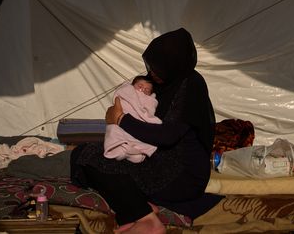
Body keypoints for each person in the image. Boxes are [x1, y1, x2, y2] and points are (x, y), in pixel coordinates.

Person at [71, 28, 217, 234]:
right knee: (84, 153)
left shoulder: (191, 85)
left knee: (89, 159)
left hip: (181, 174)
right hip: (158, 160)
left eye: (158, 67)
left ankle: (145, 219)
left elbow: (167, 136)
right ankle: (142, 208)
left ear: (173, 65)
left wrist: (121, 119)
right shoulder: (163, 81)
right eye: (151, 65)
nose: (152, 72)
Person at [104, 75, 161, 163]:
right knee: (115, 129)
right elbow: (118, 97)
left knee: (140, 141)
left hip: (137, 122)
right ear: (132, 86)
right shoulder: (127, 92)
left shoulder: (149, 100)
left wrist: (147, 116)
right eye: (140, 86)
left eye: (147, 90)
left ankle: (132, 150)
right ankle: (121, 148)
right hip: (121, 117)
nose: (142, 90)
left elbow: (149, 112)